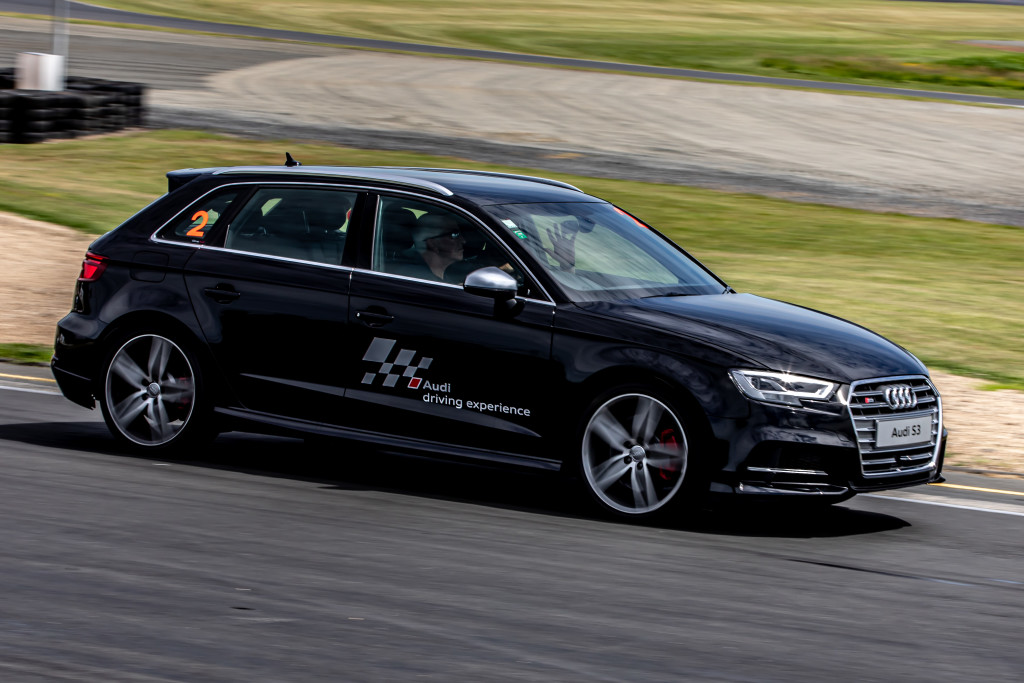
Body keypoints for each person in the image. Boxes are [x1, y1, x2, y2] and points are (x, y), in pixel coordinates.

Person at [396, 213, 467, 282]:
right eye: (454, 235)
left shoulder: (434, 277)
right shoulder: (417, 279)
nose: (463, 241)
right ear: (432, 244)